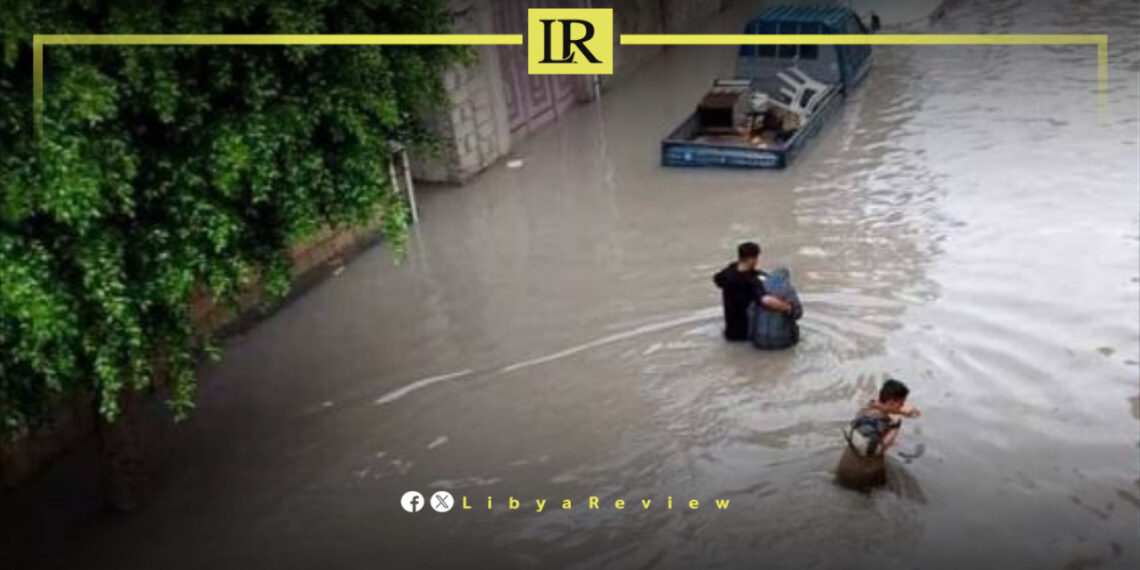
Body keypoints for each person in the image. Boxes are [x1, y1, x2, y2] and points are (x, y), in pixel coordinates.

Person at [836, 379, 921, 491]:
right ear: (891, 403)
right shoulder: (890, 424)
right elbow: (885, 446)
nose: (902, 406)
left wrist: (899, 411)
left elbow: (887, 409)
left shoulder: (865, 409)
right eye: (901, 403)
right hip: (862, 478)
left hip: (843, 471)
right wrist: (896, 427)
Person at [713, 242, 793, 341]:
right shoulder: (752, 281)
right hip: (746, 335)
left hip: (730, 332)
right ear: (752, 259)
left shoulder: (728, 272)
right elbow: (766, 300)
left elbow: (717, 279)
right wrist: (788, 308)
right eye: (756, 258)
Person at [749, 266, 803, 350]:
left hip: (760, 340)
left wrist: (751, 337)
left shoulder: (758, 288)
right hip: (782, 341)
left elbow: (751, 314)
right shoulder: (787, 289)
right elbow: (797, 313)